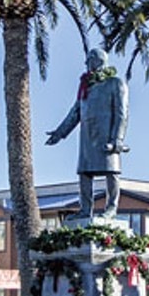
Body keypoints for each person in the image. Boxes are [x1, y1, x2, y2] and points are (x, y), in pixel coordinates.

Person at [47, 48, 128, 219]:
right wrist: (59, 133)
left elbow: (122, 113)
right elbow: (75, 112)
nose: (86, 64)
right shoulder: (86, 86)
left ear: (99, 61)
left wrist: (117, 139)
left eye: (89, 60)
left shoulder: (115, 83)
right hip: (87, 136)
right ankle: (85, 209)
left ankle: (111, 208)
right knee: (84, 173)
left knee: (111, 172)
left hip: (107, 136)